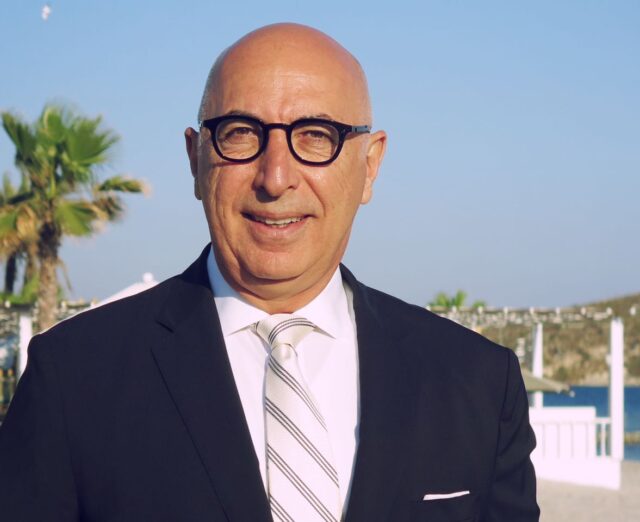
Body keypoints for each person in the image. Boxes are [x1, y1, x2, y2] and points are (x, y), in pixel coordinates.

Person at [0, 23, 539, 521]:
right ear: (195, 159)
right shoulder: (73, 380)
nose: (276, 177)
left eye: (316, 135)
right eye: (240, 133)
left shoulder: (477, 384)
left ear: (370, 165)